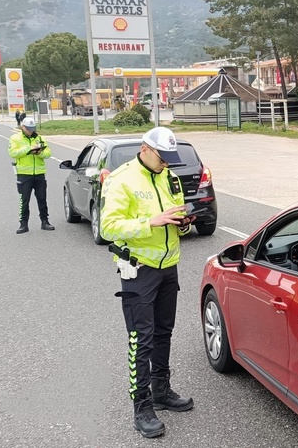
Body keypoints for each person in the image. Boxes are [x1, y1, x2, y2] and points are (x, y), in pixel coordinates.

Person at [99, 126, 194, 438]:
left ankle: (161, 391)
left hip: (169, 266)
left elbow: (174, 218)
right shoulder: (122, 179)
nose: (166, 163)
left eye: (169, 158)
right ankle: (141, 406)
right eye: (161, 157)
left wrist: (183, 223)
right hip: (139, 270)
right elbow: (108, 227)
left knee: (164, 332)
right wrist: (149, 222)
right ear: (145, 149)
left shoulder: (169, 177)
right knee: (142, 339)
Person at [8, 118, 54, 234]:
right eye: (28, 129)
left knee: (42, 199)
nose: (31, 131)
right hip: (24, 174)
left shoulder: (39, 138)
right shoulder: (15, 138)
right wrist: (29, 148)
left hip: (39, 174)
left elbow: (48, 153)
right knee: (24, 200)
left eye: (33, 129)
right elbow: (13, 153)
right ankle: (23, 225)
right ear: (23, 127)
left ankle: (45, 221)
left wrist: (40, 153)